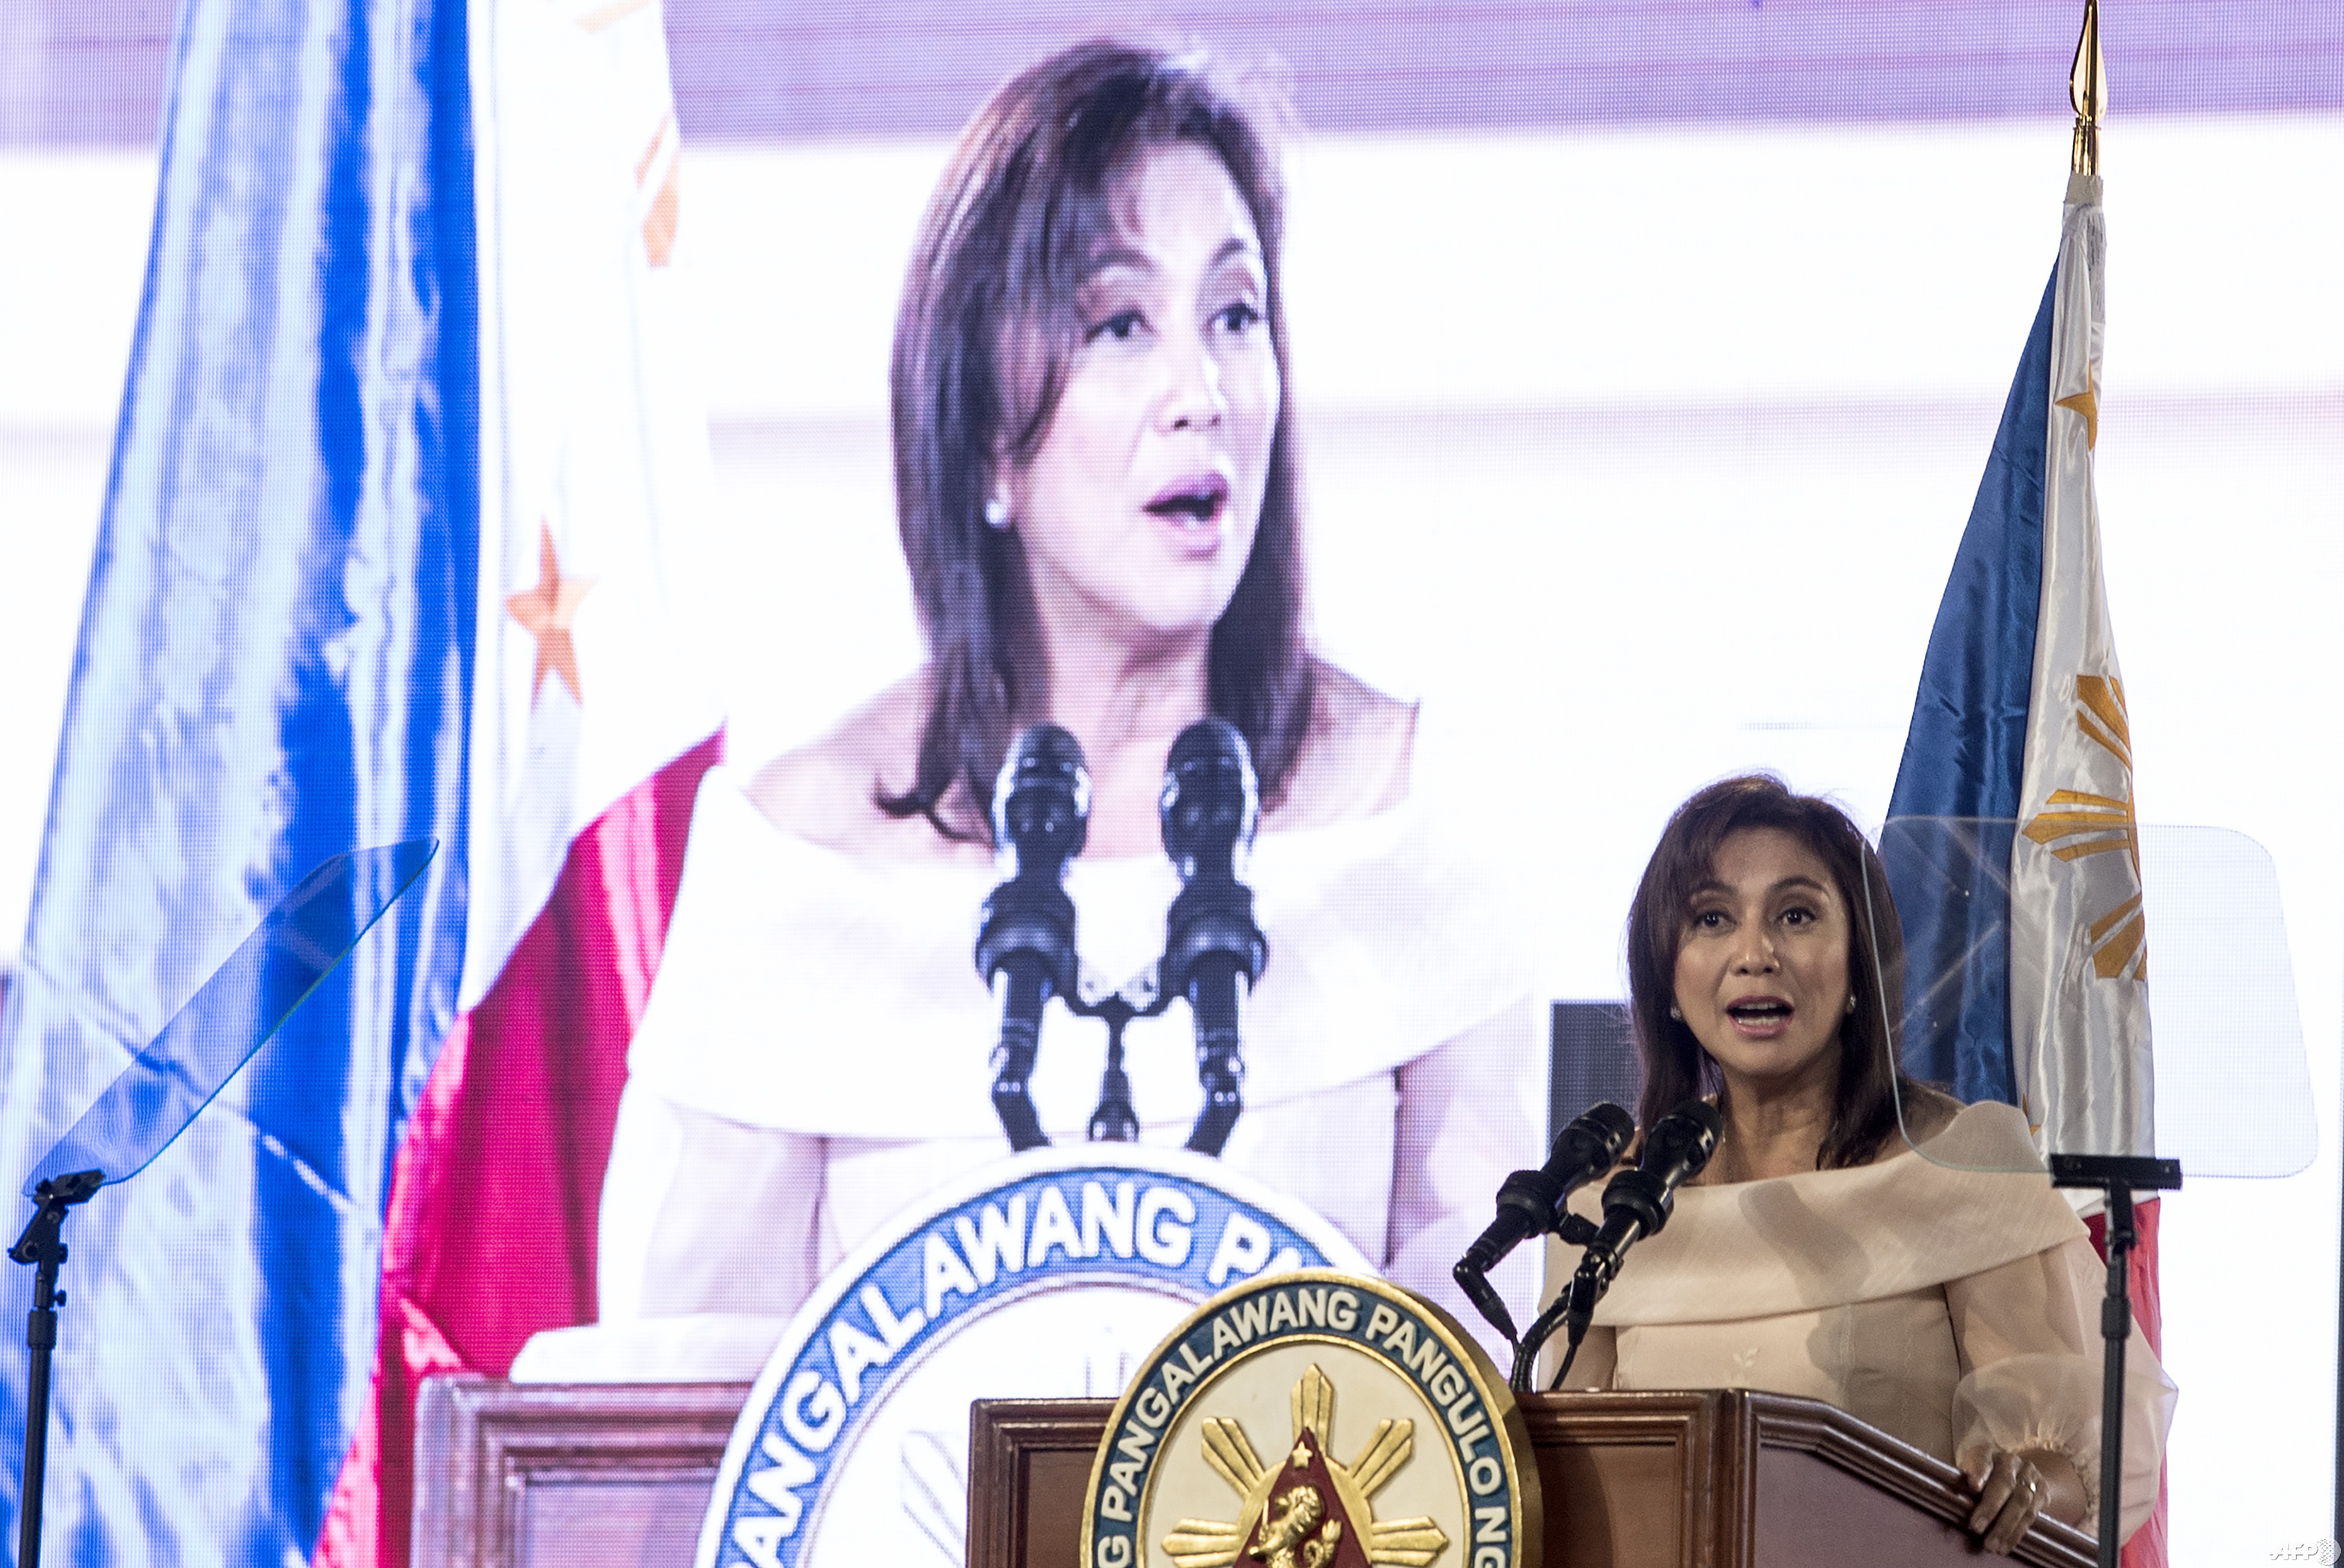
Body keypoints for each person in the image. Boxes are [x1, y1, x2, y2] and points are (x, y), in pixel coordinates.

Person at [591, 41, 1541, 1354]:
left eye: (1234, 315)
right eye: (1117, 326)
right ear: (985, 431)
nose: (1200, 396)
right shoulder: (792, 858)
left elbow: (1496, 1385)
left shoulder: (1406, 814)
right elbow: (666, 1437)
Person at [1541, 776, 2174, 1554]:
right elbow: (1574, 1471)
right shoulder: (1616, 1208)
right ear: (1669, 976)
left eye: (1797, 915)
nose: (1754, 955)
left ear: (1859, 966)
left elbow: (2084, 1448)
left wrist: (2033, 1484)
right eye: (1712, 919)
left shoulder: (1962, 1163)